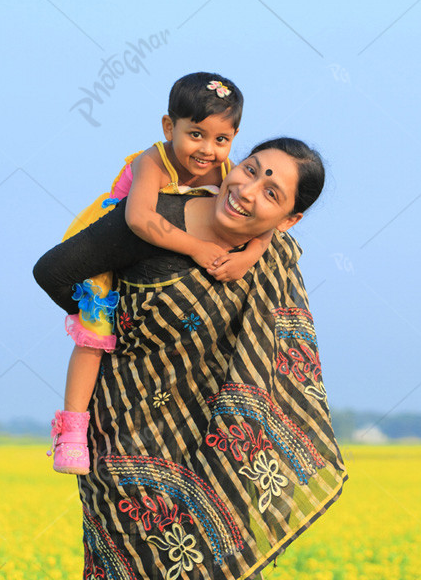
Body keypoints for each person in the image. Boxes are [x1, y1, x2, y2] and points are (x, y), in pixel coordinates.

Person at [34, 138, 346, 579]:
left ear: (289, 220)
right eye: (251, 170)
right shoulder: (153, 219)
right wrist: (115, 324)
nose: (248, 190)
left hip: (219, 450)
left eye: (271, 194)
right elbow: (53, 272)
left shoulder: (272, 256)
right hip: (126, 439)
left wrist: (255, 248)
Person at [46, 72, 273, 475]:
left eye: (221, 140)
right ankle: (72, 432)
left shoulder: (230, 173)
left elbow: (266, 221)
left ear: (234, 137)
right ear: (169, 127)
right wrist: (200, 249)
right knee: (93, 333)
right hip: (109, 247)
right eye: (196, 135)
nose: (208, 150)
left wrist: (250, 256)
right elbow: (138, 220)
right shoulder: (152, 161)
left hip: (160, 253)